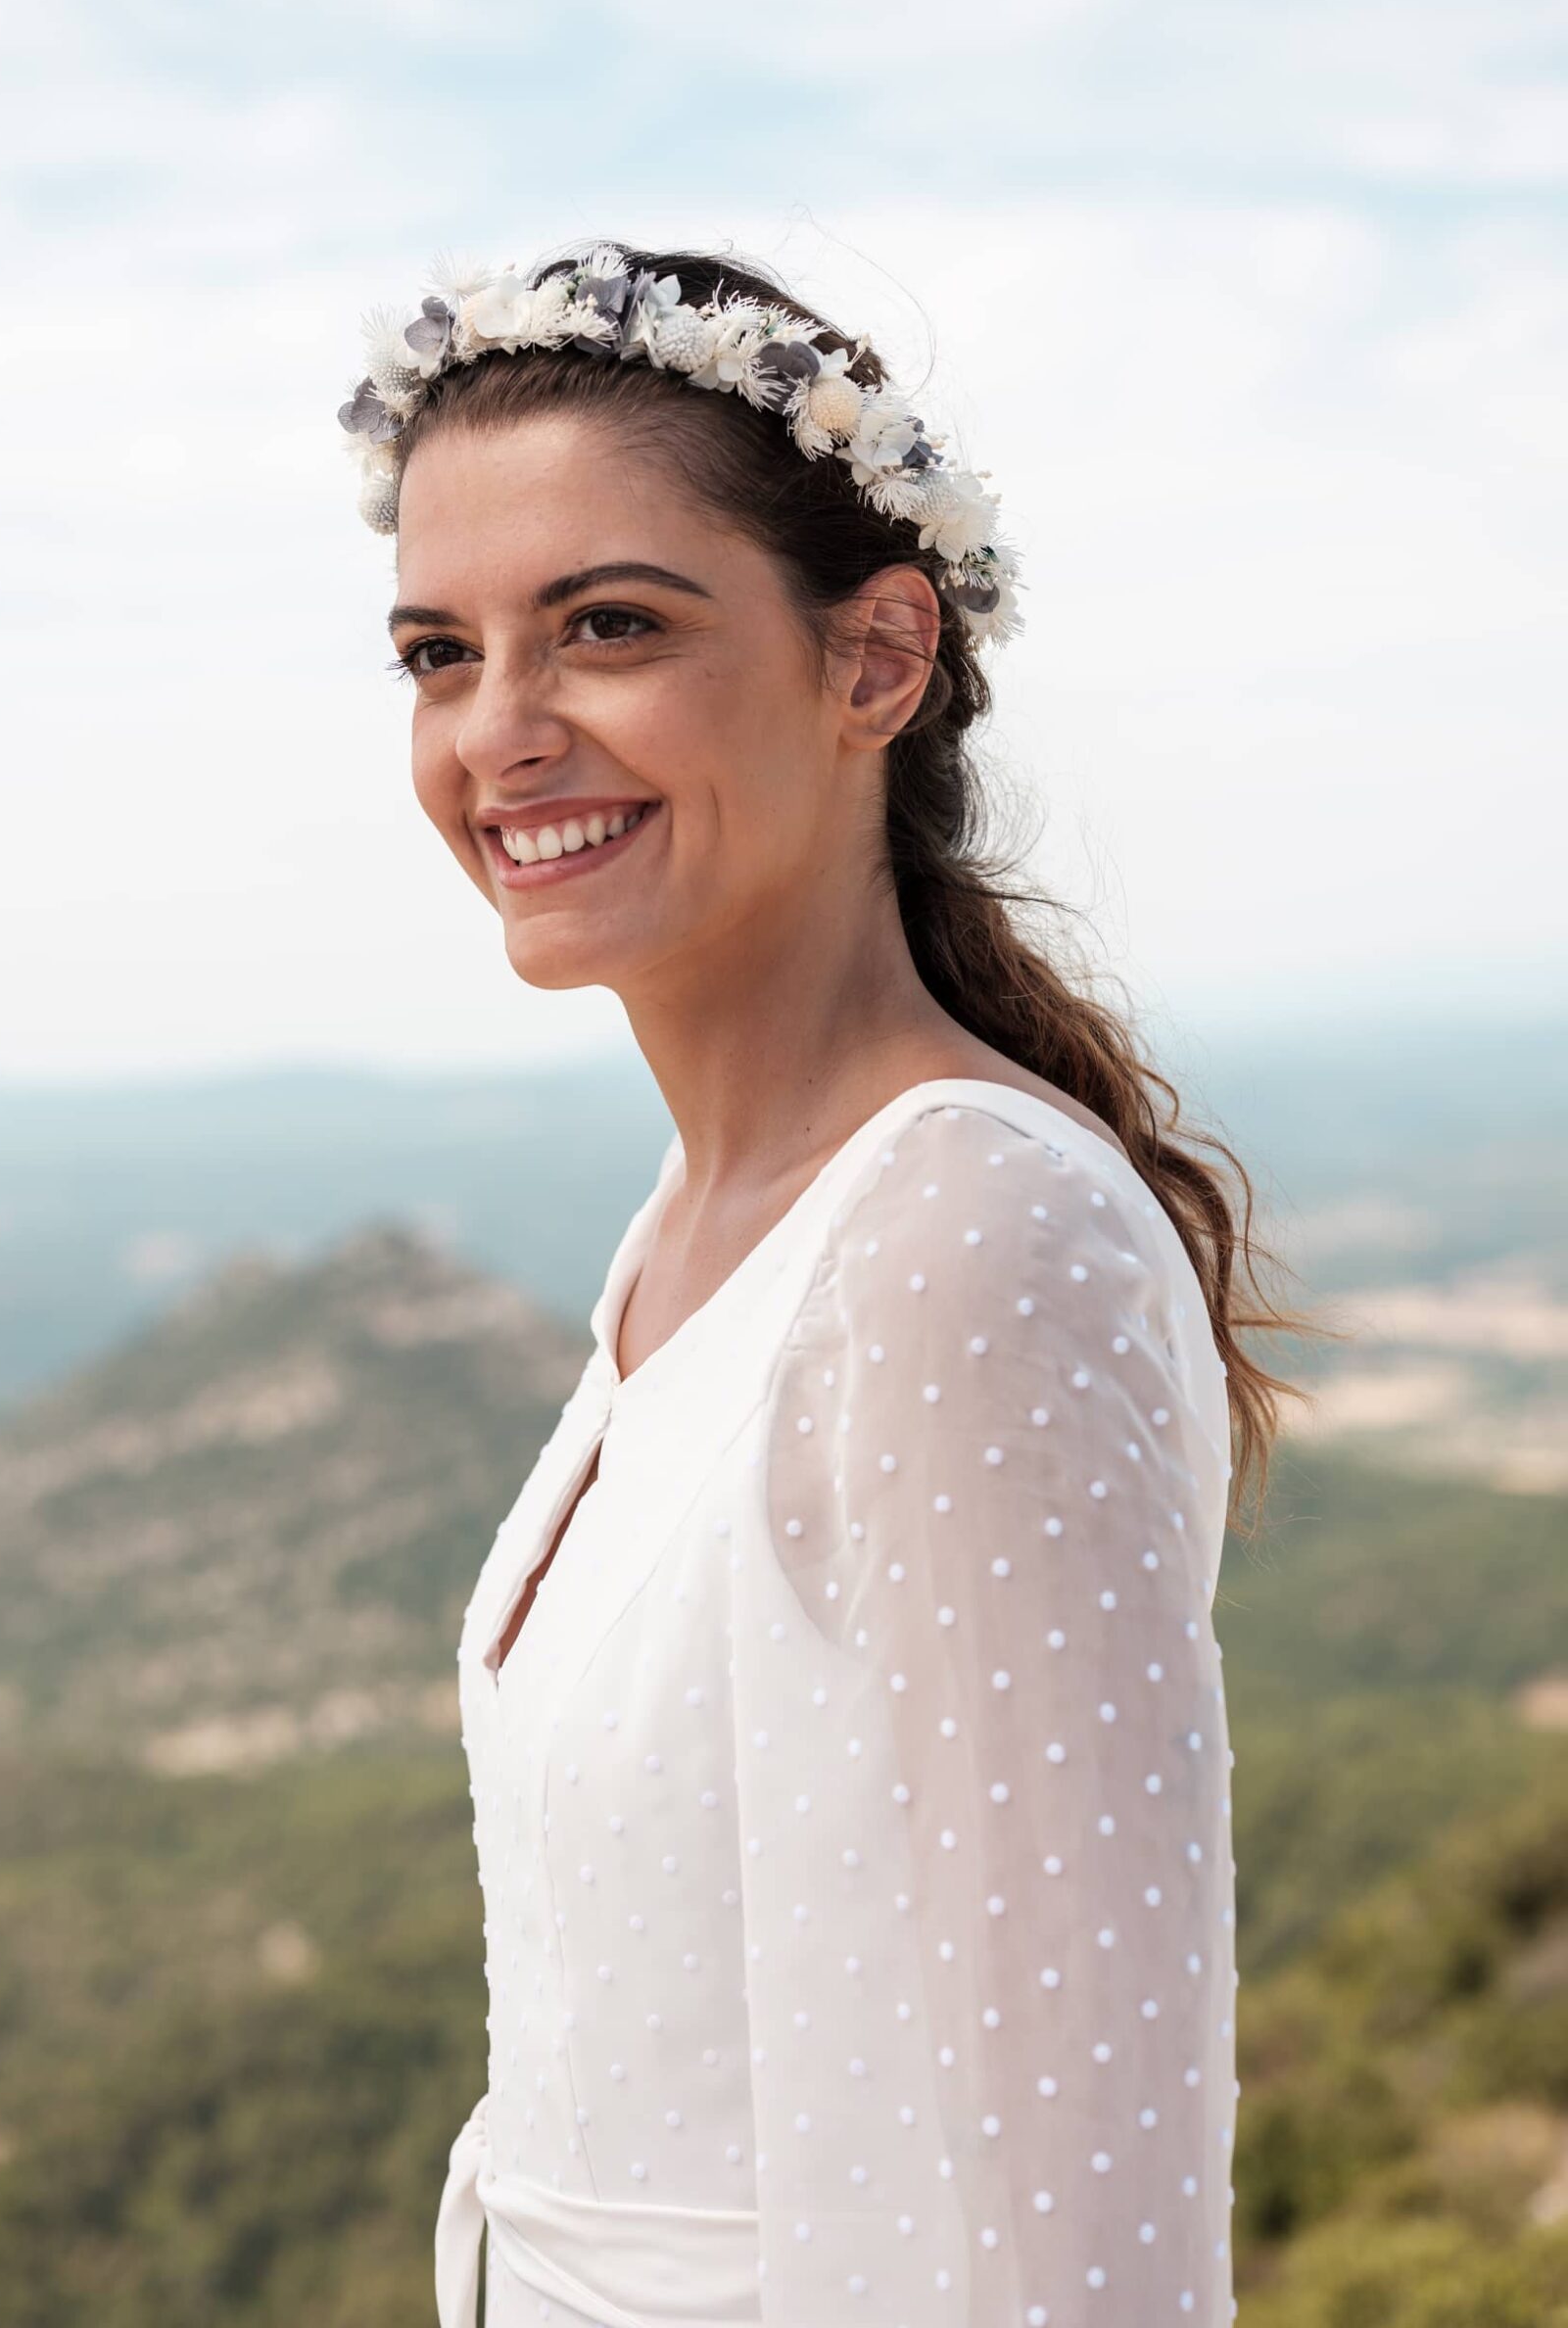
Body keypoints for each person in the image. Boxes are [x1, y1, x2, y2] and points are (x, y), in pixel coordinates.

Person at [339, 241, 1318, 2328]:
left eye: (605, 625)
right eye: (440, 651)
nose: (501, 730)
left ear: (876, 658)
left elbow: (1085, 2202)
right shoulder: (697, 1227)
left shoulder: (964, 1243)